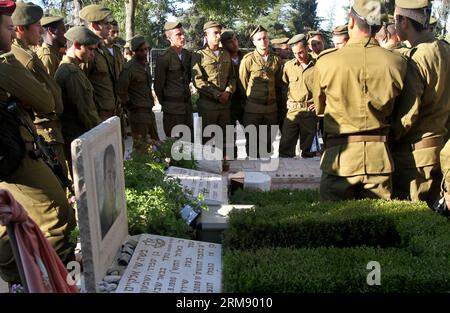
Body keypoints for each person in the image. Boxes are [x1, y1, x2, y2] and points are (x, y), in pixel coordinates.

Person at [0, 0, 76, 285]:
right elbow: (46, 101)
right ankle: (48, 282)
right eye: (8, 29)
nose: (11, 35)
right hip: (15, 157)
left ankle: (20, 278)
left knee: (13, 218)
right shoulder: (6, 62)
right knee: (57, 217)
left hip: (13, 151)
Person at [313, 0, 408, 201]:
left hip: (339, 158)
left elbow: (319, 107)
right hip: (379, 158)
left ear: (352, 22)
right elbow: (405, 112)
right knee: (376, 227)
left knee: (332, 226)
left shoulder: (326, 61)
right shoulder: (397, 62)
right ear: (379, 26)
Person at [391, 0, 450, 207]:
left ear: (404, 22)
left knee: (413, 213)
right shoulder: (444, 49)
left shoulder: (416, 58)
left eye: (396, 20)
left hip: (416, 156)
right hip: (441, 147)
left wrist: (388, 138)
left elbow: (408, 115)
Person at [11, 1, 68, 177]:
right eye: (37, 25)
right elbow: (48, 100)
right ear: (21, 29)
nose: (41, 30)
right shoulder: (26, 58)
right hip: (45, 127)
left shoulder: (26, 54)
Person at [54, 26, 102, 175]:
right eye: (90, 49)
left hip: (77, 136)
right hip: (78, 137)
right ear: (75, 45)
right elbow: (85, 111)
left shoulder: (72, 68)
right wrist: (99, 134)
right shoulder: (70, 72)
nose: (92, 54)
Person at [192, 21, 236, 154]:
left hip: (225, 105)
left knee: (227, 143)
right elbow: (198, 81)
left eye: (219, 33)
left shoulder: (225, 53)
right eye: (215, 33)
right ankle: (211, 172)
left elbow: (232, 77)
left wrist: (228, 91)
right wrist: (217, 94)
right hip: (208, 106)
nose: (218, 36)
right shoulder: (198, 55)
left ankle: (230, 169)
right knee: (208, 144)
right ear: (206, 34)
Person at [239, 25, 282, 159]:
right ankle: (252, 174)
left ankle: (266, 172)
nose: (263, 41)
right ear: (254, 42)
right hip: (253, 108)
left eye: (265, 38)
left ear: (268, 39)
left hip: (270, 108)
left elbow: (279, 83)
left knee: (267, 144)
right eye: (259, 39)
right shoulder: (248, 59)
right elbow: (242, 83)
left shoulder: (276, 59)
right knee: (252, 144)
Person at [279, 34, 317, 158]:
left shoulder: (318, 65)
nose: (298, 56)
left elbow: (326, 88)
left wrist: (319, 104)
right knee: (285, 148)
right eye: (294, 53)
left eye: (300, 52)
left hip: (310, 113)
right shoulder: (289, 66)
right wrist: (287, 100)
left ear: (307, 48)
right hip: (292, 112)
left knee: (309, 151)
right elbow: (283, 86)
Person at [154, 21, 193, 141]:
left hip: (186, 108)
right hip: (172, 110)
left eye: (183, 34)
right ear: (169, 38)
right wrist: (166, 104)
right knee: (174, 145)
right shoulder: (164, 58)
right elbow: (158, 86)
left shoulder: (187, 55)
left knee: (189, 144)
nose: (182, 37)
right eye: (178, 35)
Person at [78, 4, 118, 121]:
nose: (110, 27)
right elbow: (83, 88)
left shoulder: (102, 48)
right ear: (94, 26)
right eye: (106, 24)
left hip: (111, 111)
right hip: (98, 115)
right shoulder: (87, 52)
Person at [118, 35, 159, 143]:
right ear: (134, 52)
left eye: (146, 49)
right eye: (141, 50)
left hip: (149, 110)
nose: (145, 52)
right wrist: (131, 106)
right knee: (141, 146)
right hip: (137, 113)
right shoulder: (129, 68)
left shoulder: (145, 66)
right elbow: (121, 91)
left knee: (155, 143)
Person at [221, 30, 247, 159]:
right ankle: (233, 160)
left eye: (235, 40)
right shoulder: (222, 58)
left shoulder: (246, 56)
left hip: (245, 101)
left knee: (251, 131)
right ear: (224, 44)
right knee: (229, 134)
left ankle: (253, 159)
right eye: (230, 42)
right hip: (229, 101)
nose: (234, 43)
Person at [99, 144, 119, 238]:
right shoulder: (101, 218)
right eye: (109, 173)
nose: (113, 180)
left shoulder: (118, 209)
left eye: (115, 173)